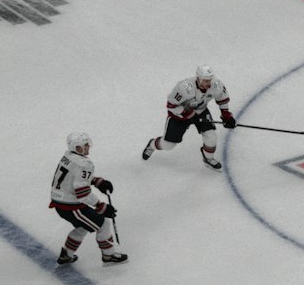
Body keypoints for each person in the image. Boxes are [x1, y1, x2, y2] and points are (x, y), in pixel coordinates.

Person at [50, 133, 127, 267]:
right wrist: (100, 206)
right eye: (85, 145)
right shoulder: (85, 163)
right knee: (103, 224)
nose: (88, 148)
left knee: (82, 226)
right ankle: (108, 255)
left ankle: (66, 254)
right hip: (71, 206)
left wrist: (97, 181)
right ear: (77, 147)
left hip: (60, 202)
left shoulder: (68, 156)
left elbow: (73, 178)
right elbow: (83, 194)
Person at [142, 66, 235, 170]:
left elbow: (222, 99)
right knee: (168, 145)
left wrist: (226, 115)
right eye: (205, 80)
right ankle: (152, 145)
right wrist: (187, 114)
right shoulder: (184, 87)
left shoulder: (216, 85)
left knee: (211, 136)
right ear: (199, 79)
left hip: (201, 112)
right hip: (179, 116)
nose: (208, 83)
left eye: (209, 80)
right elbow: (171, 105)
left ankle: (208, 158)